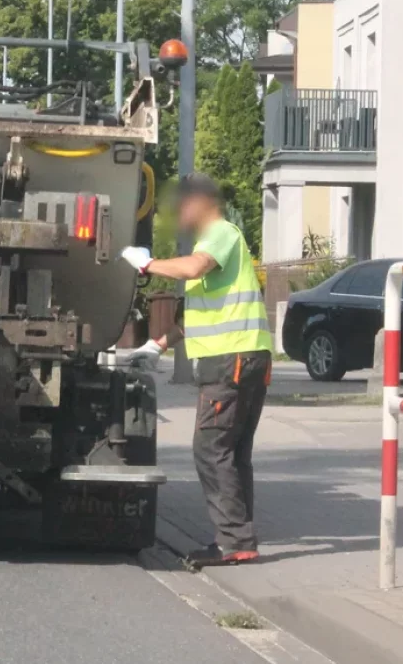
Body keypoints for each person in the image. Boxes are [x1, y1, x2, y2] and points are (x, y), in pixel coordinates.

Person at [119, 173, 273, 567]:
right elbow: (194, 317)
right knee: (233, 452)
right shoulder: (221, 244)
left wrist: (149, 264)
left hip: (230, 360)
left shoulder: (221, 233)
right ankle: (238, 539)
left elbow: (193, 268)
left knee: (210, 448)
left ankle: (234, 540)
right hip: (243, 358)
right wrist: (158, 345)